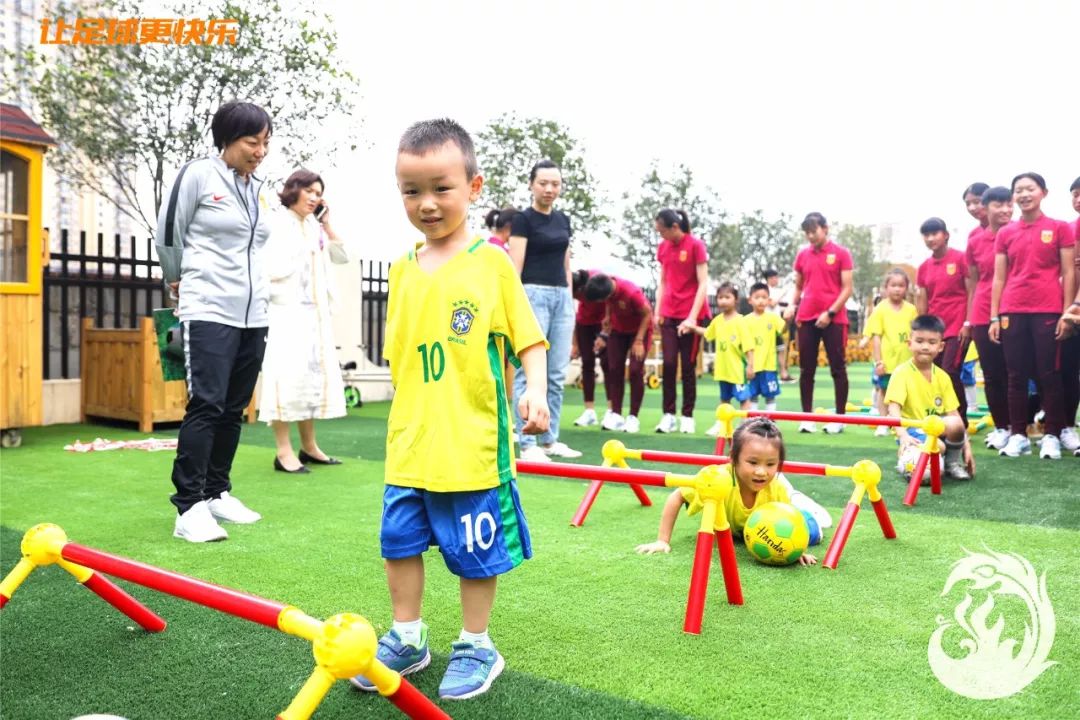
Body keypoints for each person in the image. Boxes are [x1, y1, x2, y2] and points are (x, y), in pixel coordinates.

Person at [349, 119, 550, 700]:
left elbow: (528, 339)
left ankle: (477, 644)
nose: (427, 204)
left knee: (475, 550)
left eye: (442, 188)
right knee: (399, 543)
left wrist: (533, 390)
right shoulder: (403, 269)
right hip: (410, 441)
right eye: (412, 191)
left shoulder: (491, 264)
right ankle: (407, 637)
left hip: (472, 443)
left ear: (474, 186)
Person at [155, 101, 273, 543]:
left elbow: (258, 246)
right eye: (251, 142)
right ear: (225, 138)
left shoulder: (258, 188)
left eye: (265, 143)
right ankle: (188, 508)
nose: (260, 151)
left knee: (233, 406)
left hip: (253, 312)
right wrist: (175, 280)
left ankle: (216, 492)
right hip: (208, 306)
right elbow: (169, 230)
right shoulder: (199, 174)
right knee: (206, 403)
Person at [634, 418, 831, 565]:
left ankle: (803, 504)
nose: (761, 471)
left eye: (771, 464)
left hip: (785, 508)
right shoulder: (717, 480)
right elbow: (676, 496)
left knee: (813, 532)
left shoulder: (776, 488)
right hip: (743, 529)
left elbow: (792, 524)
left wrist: (798, 549)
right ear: (733, 458)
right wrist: (662, 540)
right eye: (753, 462)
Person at [258, 169, 348, 473]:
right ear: (294, 189)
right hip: (287, 313)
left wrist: (327, 224)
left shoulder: (314, 225)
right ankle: (283, 451)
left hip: (315, 314)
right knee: (285, 377)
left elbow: (341, 257)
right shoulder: (277, 221)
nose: (314, 197)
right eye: (309, 190)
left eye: (318, 192)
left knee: (309, 380)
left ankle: (309, 447)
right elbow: (268, 267)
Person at [989, 172, 1076, 459]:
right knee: (1015, 375)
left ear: (1043, 193)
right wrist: (994, 316)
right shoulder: (1005, 233)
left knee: (1049, 374)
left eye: (1030, 189)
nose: (1024, 194)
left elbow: (1068, 272)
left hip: (1049, 310)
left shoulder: (1060, 228)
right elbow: (999, 278)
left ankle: (1052, 434)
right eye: (1019, 190)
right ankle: (1018, 435)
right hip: (1012, 310)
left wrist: (1067, 313)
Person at [507, 160, 581, 461]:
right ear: (531, 184)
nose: (549, 189)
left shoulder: (563, 220)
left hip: (562, 297)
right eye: (543, 183)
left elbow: (566, 264)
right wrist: (515, 305)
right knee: (528, 370)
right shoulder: (523, 220)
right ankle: (528, 444)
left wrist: (571, 302)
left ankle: (550, 439)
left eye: (555, 184)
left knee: (556, 372)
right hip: (532, 295)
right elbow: (514, 267)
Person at [783, 212, 854, 434]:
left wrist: (830, 313)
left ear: (825, 228)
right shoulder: (803, 255)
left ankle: (840, 419)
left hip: (834, 319)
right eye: (807, 233)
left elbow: (847, 288)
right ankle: (807, 417)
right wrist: (792, 305)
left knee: (838, 368)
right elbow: (798, 286)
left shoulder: (841, 253)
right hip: (806, 317)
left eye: (814, 231)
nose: (811, 236)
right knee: (806, 369)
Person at [885, 315, 974, 482]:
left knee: (954, 424)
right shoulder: (901, 373)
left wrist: (966, 446)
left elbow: (954, 415)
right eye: (919, 341)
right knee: (935, 455)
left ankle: (951, 464)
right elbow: (893, 409)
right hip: (912, 429)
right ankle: (906, 455)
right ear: (909, 343)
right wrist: (902, 435)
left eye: (932, 342)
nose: (925, 347)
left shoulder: (943, 377)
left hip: (935, 428)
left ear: (941, 347)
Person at [654, 208, 710, 433]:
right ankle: (668, 414)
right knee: (668, 364)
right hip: (669, 312)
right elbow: (663, 281)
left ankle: (687, 415)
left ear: (674, 227)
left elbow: (703, 283)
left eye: (662, 231)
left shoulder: (695, 245)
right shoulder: (663, 248)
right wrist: (658, 310)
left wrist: (692, 318)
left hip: (691, 316)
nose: (661, 236)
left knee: (687, 366)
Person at [965, 186, 1013, 450]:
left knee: (1017, 374)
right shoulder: (975, 241)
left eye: (1008, 204)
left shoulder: (1018, 233)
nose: (1004, 210)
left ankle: (1022, 427)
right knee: (993, 375)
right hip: (983, 313)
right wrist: (969, 320)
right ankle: (1002, 427)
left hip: (1015, 310)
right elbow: (973, 284)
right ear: (986, 208)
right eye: (997, 205)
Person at [915, 218, 972, 430]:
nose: (930, 239)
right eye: (926, 235)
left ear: (945, 235)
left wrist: (968, 322)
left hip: (958, 327)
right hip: (934, 330)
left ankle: (960, 423)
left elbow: (970, 290)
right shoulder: (923, 268)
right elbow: (923, 298)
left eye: (935, 234)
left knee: (950, 371)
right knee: (933, 374)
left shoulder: (960, 258)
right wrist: (920, 328)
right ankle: (938, 420)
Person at [581, 273, 653, 433]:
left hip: (639, 332)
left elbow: (647, 313)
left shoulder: (631, 292)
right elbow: (608, 303)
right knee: (614, 370)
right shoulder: (606, 285)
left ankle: (633, 417)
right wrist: (606, 322)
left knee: (635, 371)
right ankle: (617, 415)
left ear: (608, 294)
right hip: (618, 331)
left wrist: (639, 340)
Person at [684, 283, 753, 436]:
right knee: (724, 399)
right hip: (723, 369)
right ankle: (722, 425)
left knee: (744, 398)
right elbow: (708, 333)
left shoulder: (741, 321)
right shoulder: (717, 320)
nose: (723, 301)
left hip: (737, 370)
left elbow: (749, 346)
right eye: (720, 297)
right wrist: (693, 328)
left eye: (727, 297)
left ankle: (745, 427)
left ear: (736, 300)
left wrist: (750, 366)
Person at [864, 268, 918, 437]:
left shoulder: (911, 310)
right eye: (893, 285)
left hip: (907, 361)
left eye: (901, 285)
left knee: (908, 392)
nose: (897, 289)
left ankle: (905, 422)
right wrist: (879, 361)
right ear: (886, 288)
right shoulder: (880, 309)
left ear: (906, 288)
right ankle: (883, 422)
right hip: (887, 361)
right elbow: (877, 337)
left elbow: (916, 335)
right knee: (883, 391)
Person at [570, 269, 608, 428]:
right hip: (585, 323)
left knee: (608, 364)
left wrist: (604, 334)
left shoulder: (598, 281)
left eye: (577, 296)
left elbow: (610, 306)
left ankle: (612, 411)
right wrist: (575, 344)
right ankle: (589, 411)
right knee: (587, 364)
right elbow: (576, 316)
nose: (576, 299)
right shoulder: (574, 286)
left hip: (603, 323)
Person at [1058, 176, 1080, 455]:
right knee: (1069, 372)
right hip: (1073, 313)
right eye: (1074, 195)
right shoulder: (1069, 229)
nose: (1078, 199)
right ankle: (1067, 427)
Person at [744, 282, 785, 412]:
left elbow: (783, 330)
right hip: (752, 366)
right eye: (757, 297)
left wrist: (789, 320)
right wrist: (747, 365)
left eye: (764, 297)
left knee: (770, 396)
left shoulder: (773, 318)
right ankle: (754, 422)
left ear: (769, 300)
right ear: (750, 300)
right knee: (753, 396)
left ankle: (770, 422)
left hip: (769, 367)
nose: (761, 300)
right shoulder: (745, 321)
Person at [765, 269, 795, 382]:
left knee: (781, 348)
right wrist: (784, 291)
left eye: (777, 277)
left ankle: (783, 373)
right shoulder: (765, 290)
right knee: (767, 350)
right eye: (774, 278)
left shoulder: (775, 290)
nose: (776, 280)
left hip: (776, 324)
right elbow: (772, 304)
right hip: (766, 324)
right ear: (769, 279)